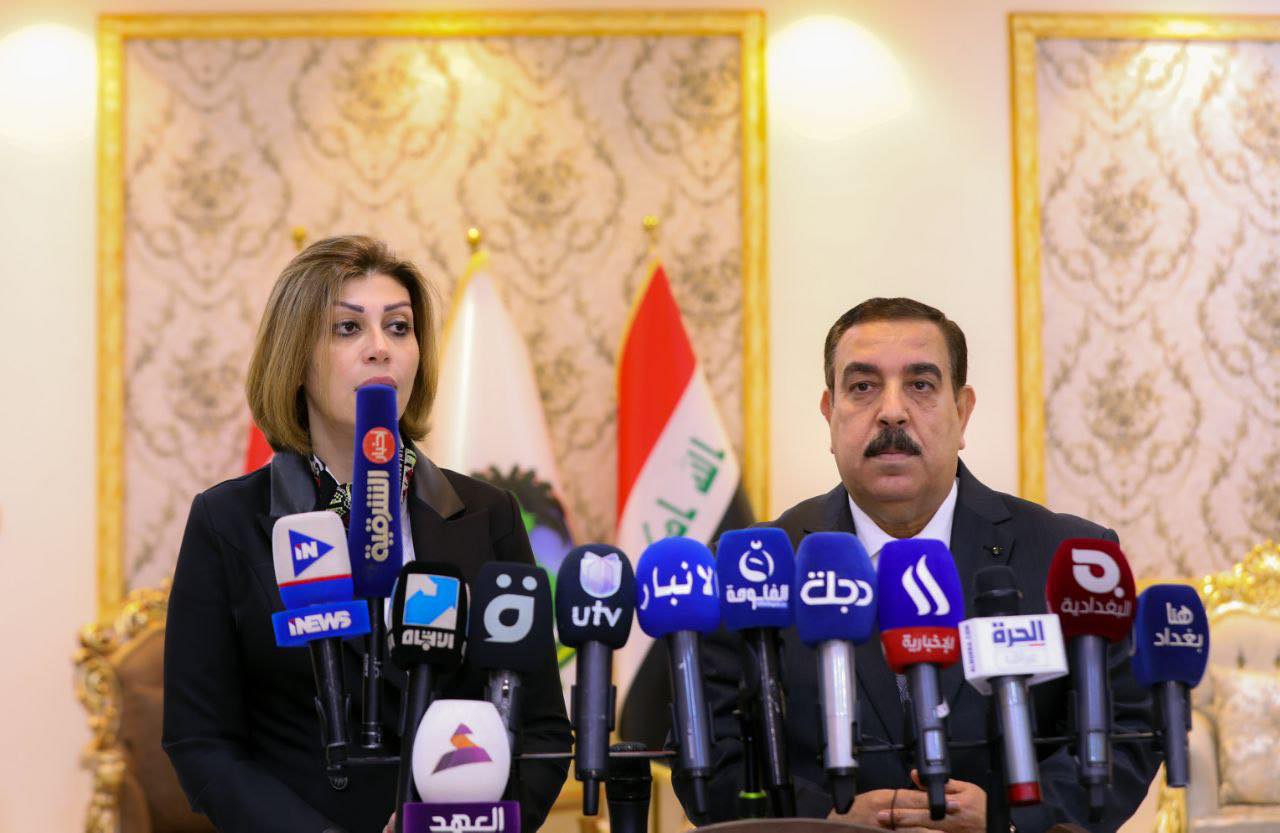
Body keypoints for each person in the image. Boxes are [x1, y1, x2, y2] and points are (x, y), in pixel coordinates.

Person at [675, 298, 1159, 832]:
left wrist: (1010, 820)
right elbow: (709, 755)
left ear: (962, 411)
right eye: (863, 386)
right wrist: (823, 820)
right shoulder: (753, 568)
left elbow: (1125, 733)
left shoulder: (1070, 555)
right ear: (829, 413)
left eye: (921, 385)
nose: (892, 410)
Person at [162, 236, 571, 833]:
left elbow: (540, 728)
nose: (380, 348)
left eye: (399, 327)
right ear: (295, 359)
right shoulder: (228, 521)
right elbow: (201, 743)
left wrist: (465, 824)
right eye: (348, 328)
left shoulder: (489, 514)